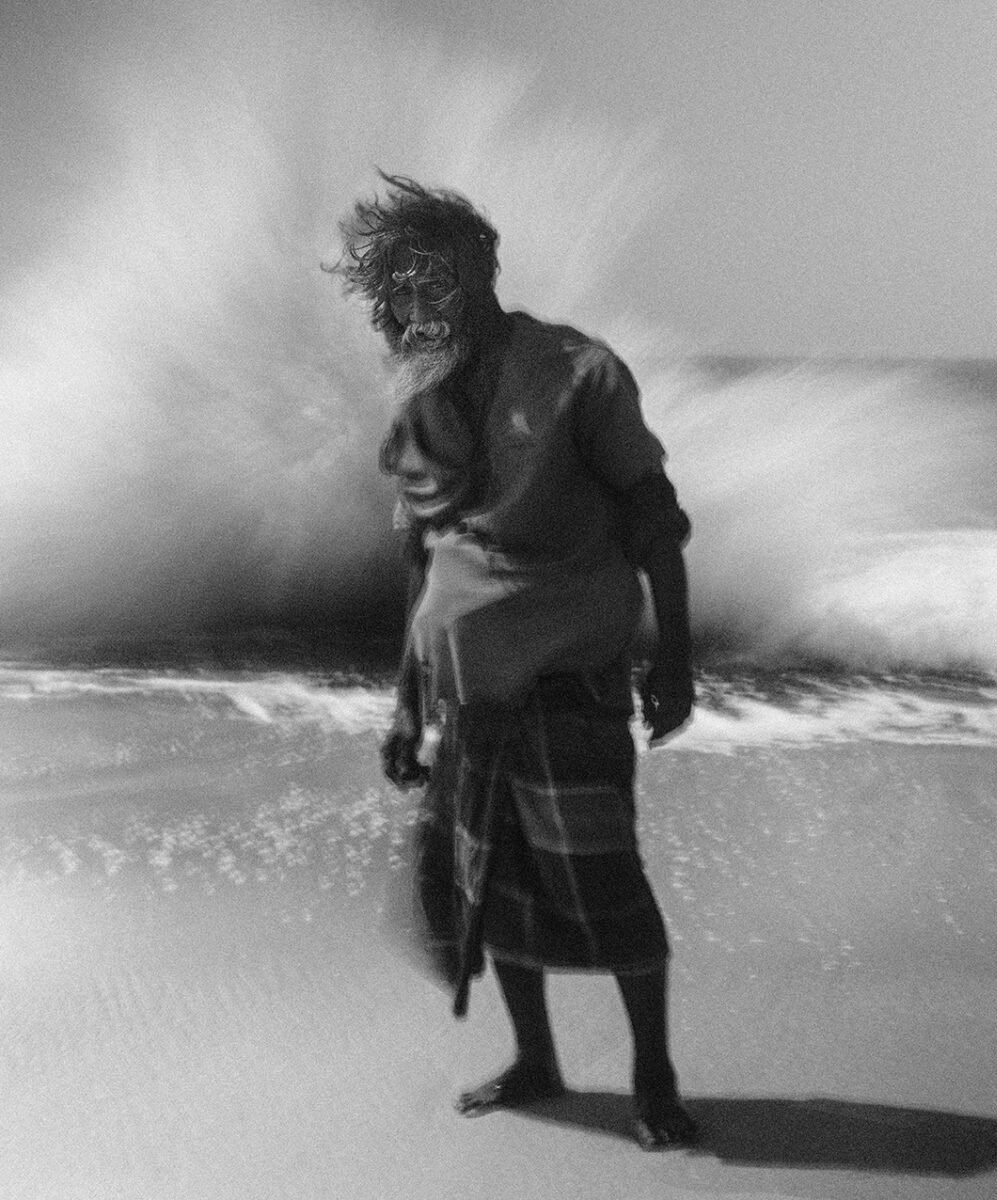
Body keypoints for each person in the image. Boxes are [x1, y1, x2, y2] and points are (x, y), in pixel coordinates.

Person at [330, 173, 697, 1150]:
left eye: (430, 278)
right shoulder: (420, 393)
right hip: (468, 691)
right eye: (399, 290)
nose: (416, 303)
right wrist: (408, 701)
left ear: (479, 267)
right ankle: (539, 1059)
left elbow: (657, 519)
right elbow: (422, 558)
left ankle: (654, 1078)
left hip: (571, 679)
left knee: (604, 884)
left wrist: (678, 659)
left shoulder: (579, 372)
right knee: (491, 884)